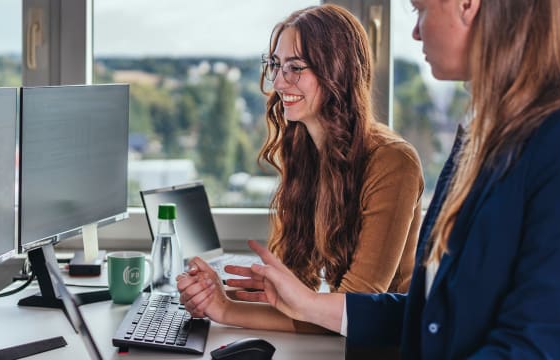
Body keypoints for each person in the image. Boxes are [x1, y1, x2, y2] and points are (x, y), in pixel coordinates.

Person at [179, 0, 560, 357]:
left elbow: (540, 346)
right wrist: (295, 303)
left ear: (468, 5)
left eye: (421, 10)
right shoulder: (481, 140)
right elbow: (429, 314)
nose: (414, 32)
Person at [177, 4, 424, 333]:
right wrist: (213, 293)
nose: (278, 82)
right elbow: (295, 286)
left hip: (384, 346)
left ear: (337, 72)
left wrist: (225, 309)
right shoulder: (305, 151)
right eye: (276, 65)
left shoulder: (392, 162)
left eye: (295, 68)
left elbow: (351, 310)